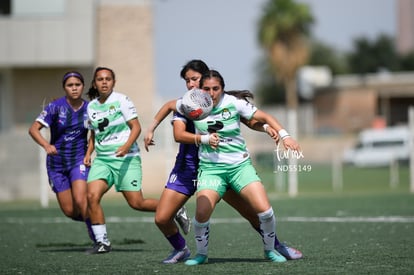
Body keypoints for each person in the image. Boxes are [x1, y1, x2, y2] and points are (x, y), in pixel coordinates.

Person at [144, 60, 301, 264]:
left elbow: (248, 120)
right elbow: (174, 123)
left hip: (225, 166)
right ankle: (183, 249)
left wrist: (267, 129)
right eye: (187, 81)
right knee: (162, 217)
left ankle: (276, 247)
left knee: (254, 213)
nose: (191, 85)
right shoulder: (188, 103)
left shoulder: (225, 101)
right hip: (192, 167)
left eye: (195, 79)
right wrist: (151, 128)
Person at [84, 67, 189, 254]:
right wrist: (88, 153)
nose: (104, 82)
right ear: (94, 83)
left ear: (113, 82)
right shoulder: (91, 107)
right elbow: (93, 133)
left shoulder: (122, 100)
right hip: (103, 161)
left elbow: (136, 127)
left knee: (136, 203)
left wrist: (125, 147)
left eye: (108, 79)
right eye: (100, 79)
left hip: (127, 158)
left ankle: (177, 209)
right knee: (91, 197)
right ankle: (102, 242)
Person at [28, 71, 95, 243]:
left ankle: (98, 236)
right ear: (64, 88)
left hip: (78, 160)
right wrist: (46, 145)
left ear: (83, 86)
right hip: (56, 164)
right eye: (70, 85)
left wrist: (88, 154)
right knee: (70, 211)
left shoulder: (90, 108)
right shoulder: (55, 107)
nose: (74, 88)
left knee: (81, 200)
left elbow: (94, 135)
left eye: (77, 85)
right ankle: (95, 219)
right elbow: (33, 129)